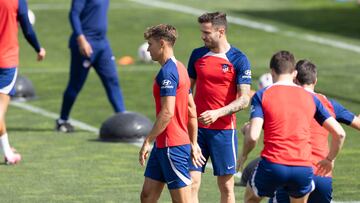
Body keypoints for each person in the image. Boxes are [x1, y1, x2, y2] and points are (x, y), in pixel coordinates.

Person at [239, 50, 346, 203]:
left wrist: (243, 155)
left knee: (250, 198)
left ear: (272, 71)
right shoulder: (311, 97)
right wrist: (329, 159)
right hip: (303, 166)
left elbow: (253, 136)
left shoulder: (263, 94)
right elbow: (340, 133)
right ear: (295, 73)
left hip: (273, 163)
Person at [268, 59, 360, 203]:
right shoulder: (329, 104)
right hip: (322, 175)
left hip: (294, 171)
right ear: (315, 80)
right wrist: (330, 159)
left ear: (294, 78)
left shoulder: (286, 101)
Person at [187, 12, 252, 203]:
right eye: (202, 32)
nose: (203, 36)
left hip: (223, 132)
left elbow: (244, 99)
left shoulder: (239, 59)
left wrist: (218, 113)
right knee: (191, 183)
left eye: (207, 32)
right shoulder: (197, 55)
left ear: (221, 31)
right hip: (197, 131)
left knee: (226, 187)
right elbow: (186, 91)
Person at [138, 24, 205, 203]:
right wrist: (193, 142)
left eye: (150, 44)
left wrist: (147, 141)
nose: (147, 48)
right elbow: (191, 109)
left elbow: (167, 112)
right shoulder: (180, 68)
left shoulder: (168, 73)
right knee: (147, 196)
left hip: (172, 147)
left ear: (162, 44)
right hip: (163, 147)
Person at [56, 0, 126, 132]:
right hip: (85, 44)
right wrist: (81, 39)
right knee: (76, 84)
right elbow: (74, 14)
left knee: (112, 80)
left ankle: (123, 118)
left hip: (103, 44)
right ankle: (62, 120)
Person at [0, 0, 46, 164]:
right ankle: (8, 153)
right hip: (6, 61)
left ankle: (7, 152)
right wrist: (38, 48)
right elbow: (27, 29)